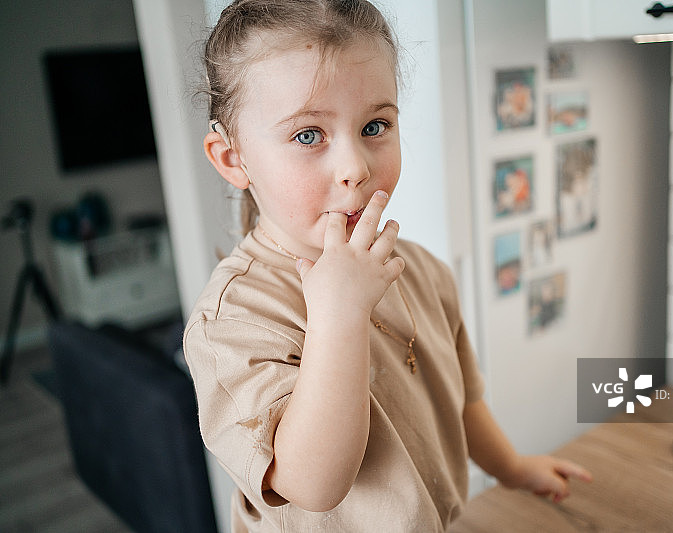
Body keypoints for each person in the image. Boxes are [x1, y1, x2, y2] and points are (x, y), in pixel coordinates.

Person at [184, 1, 592, 531]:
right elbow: (312, 485)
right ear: (233, 159)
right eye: (308, 135)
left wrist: (513, 469)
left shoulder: (420, 270)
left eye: (375, 125)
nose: (356, 167)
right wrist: (338, 315)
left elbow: (460, 402)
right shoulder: (233, 323)